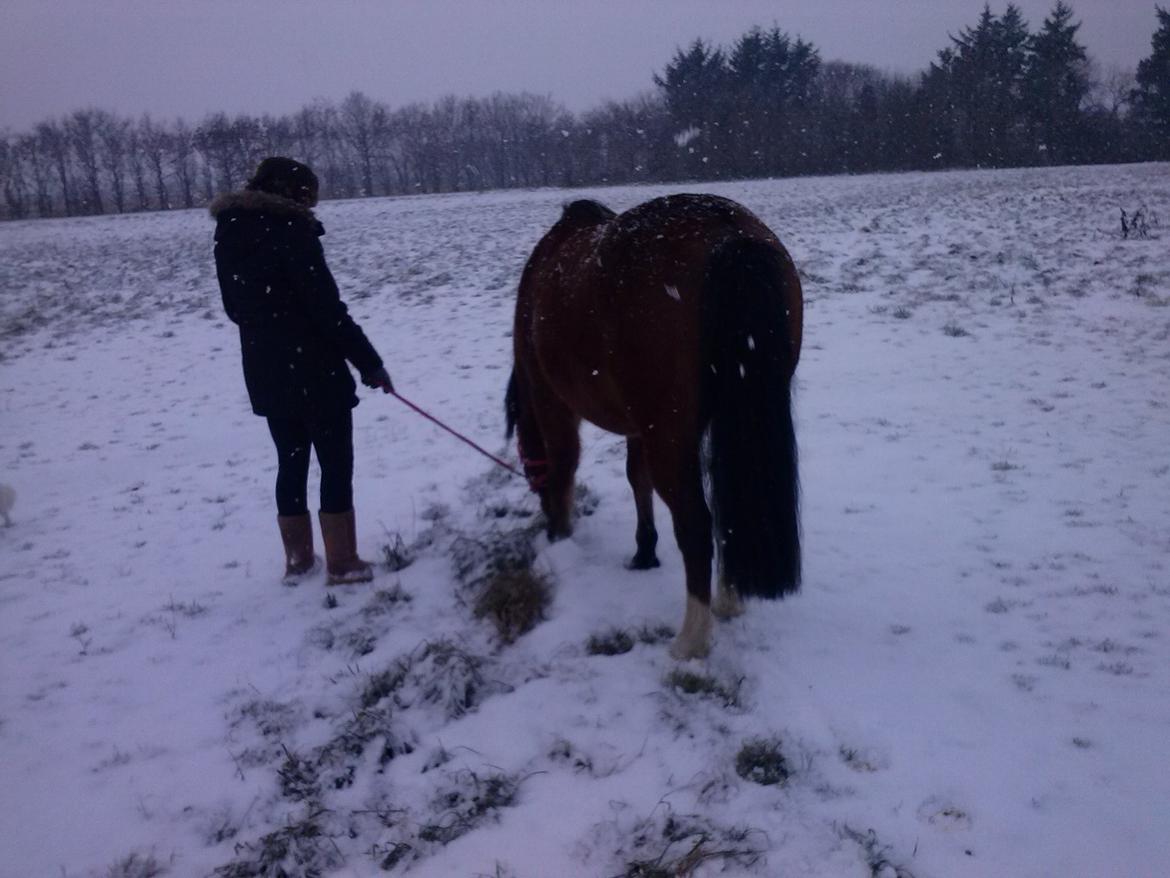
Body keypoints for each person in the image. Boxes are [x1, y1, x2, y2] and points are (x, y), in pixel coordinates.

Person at [210, 157, 393, 585]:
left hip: (265, 367)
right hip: (314, 367)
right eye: (309, 195)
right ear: (293, 192)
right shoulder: (292, 231)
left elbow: (234, 309)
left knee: (290, 460)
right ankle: (343, 564)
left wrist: (272, 329)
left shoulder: (230, 232)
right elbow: (328, 311)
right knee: (334, 462)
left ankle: (298, 562)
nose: (313, 205)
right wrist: (370, 363)